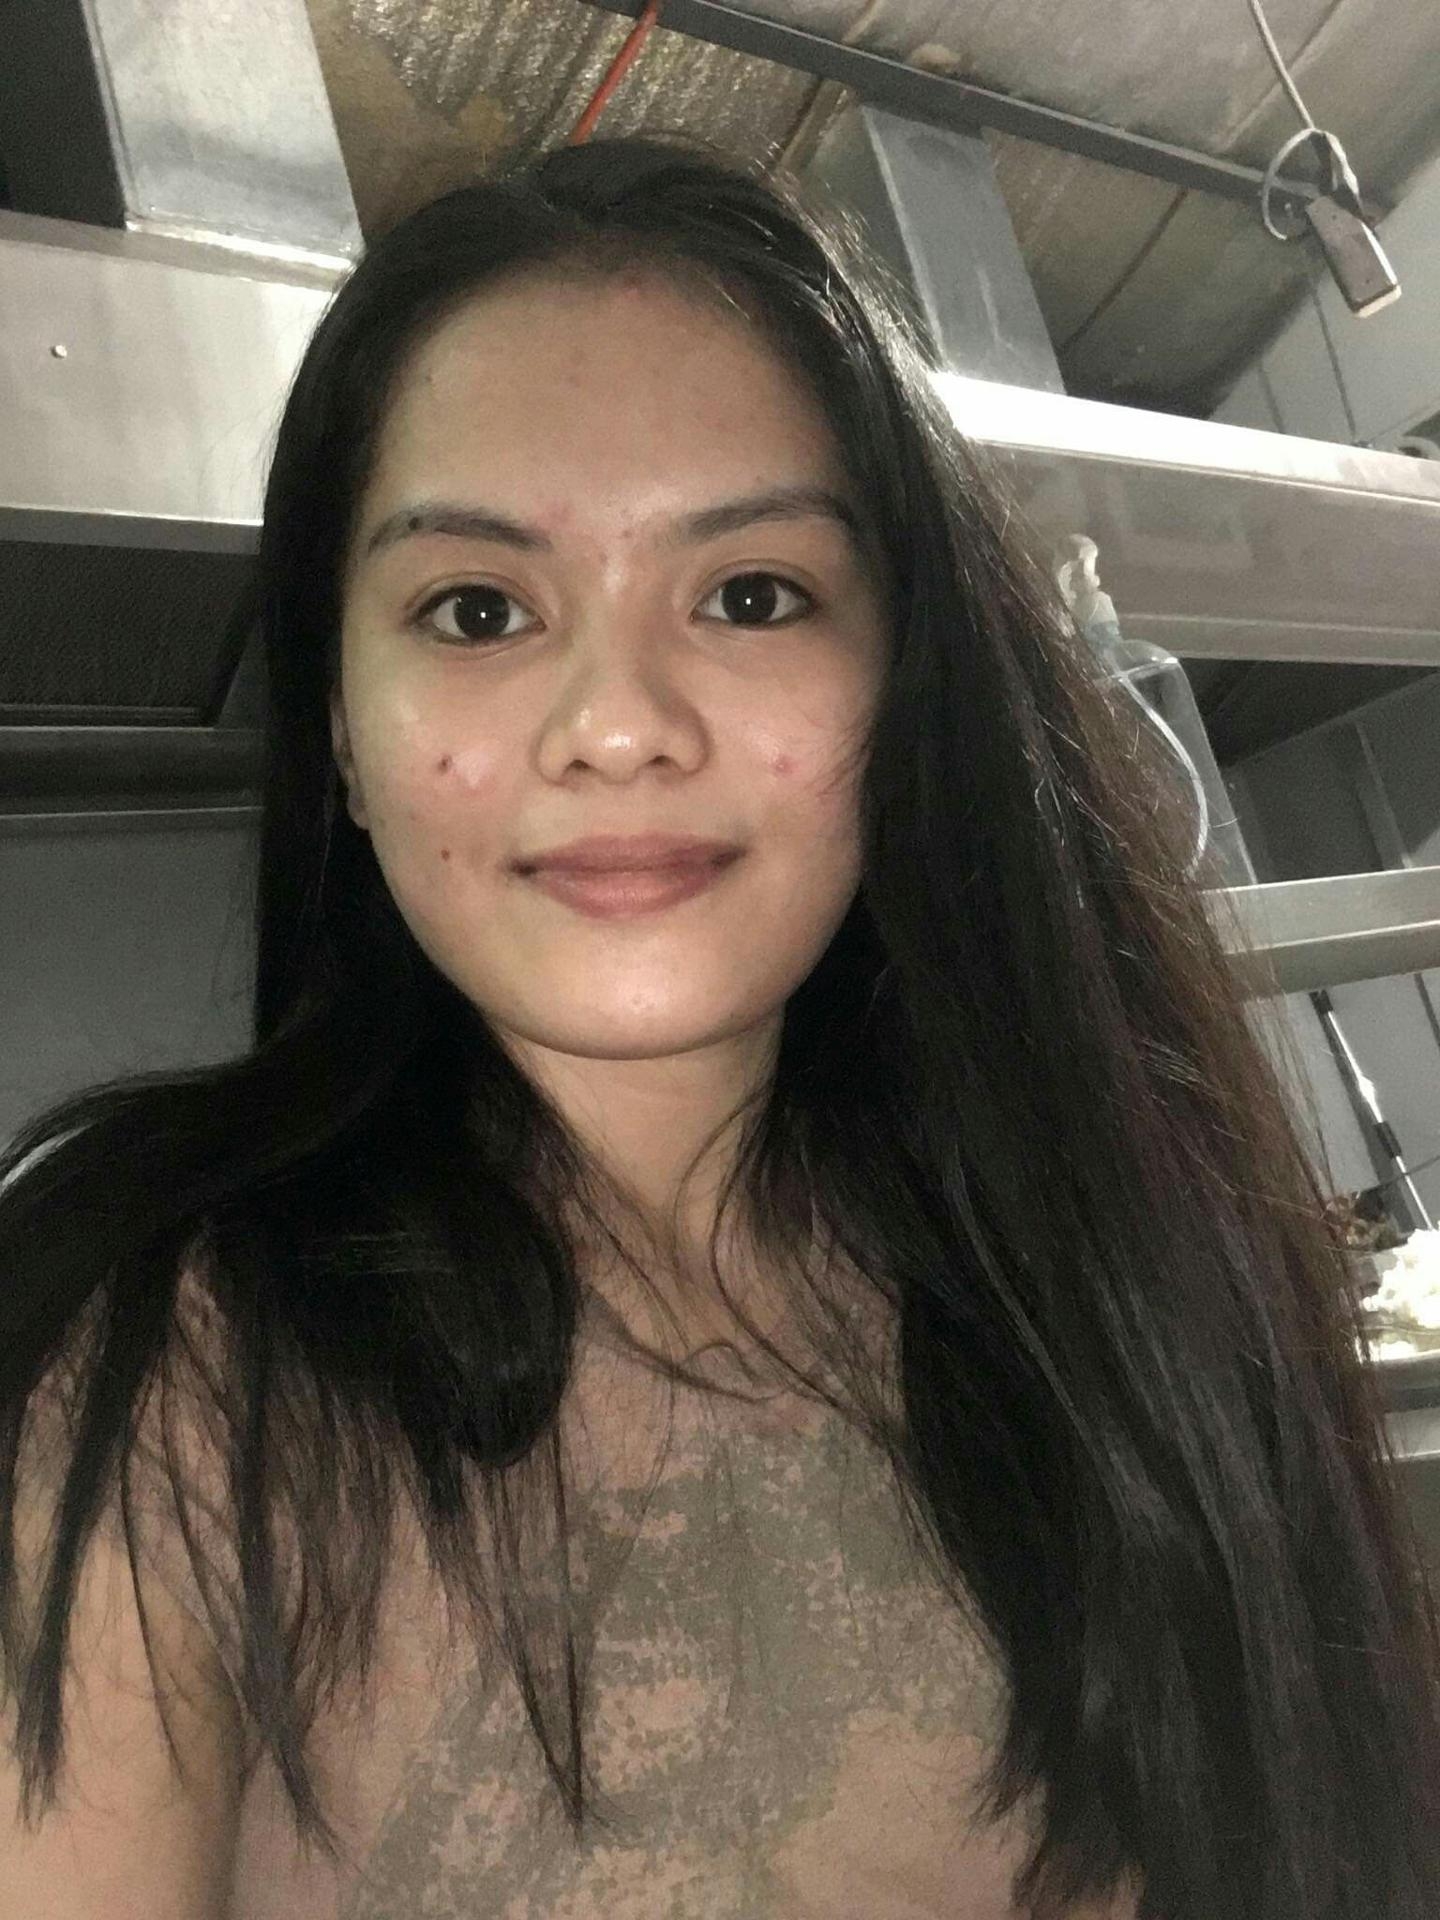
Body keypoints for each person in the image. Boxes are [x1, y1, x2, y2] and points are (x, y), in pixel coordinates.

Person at [1, 132, 1437, 1920]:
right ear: (347, 739)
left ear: (902, 690)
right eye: (478, 609)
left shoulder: (1125, 1272)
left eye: (751, 594)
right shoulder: (146, 1355)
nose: (619, 724)